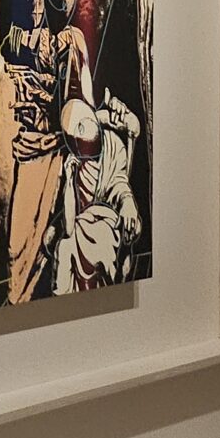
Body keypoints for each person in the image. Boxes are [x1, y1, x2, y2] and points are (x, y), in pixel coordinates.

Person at [1, 0, 93, 305]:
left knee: (46, 233)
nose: (60, 10)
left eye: (64, 2)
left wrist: (46, 96)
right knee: (17, 242)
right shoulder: (36, 39)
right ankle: (19, 295)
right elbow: (12, 46)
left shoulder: (74, 42)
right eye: (55, 1)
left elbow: (80, 105)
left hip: (58, 150)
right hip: (31, 147)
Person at [61, 91, 143, 291]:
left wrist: (128, 204)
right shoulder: (76, 165)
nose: (81, 131)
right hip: (81, 225)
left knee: (103, 239)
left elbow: (120, 184)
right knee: (65, 247)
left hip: (109, 220)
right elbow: (69, 228)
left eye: (83, 121)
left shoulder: (113, 145)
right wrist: (69, 180)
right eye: (76, 130)